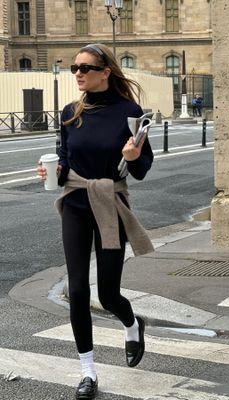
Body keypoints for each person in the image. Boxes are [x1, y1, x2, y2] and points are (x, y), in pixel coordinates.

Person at [37, 43, 154, 400]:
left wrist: (133, 156)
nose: (78, 74)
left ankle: (133, 325)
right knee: (77, 291)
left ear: (106, 72)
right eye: (74, 68)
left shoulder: (129, 112)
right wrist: (52, 169)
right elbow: (64, 156)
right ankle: (87, 371)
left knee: (107, 292)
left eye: (85, 68)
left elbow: (141, 169)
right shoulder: (71, 111)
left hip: (109, 202)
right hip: (74, 202)